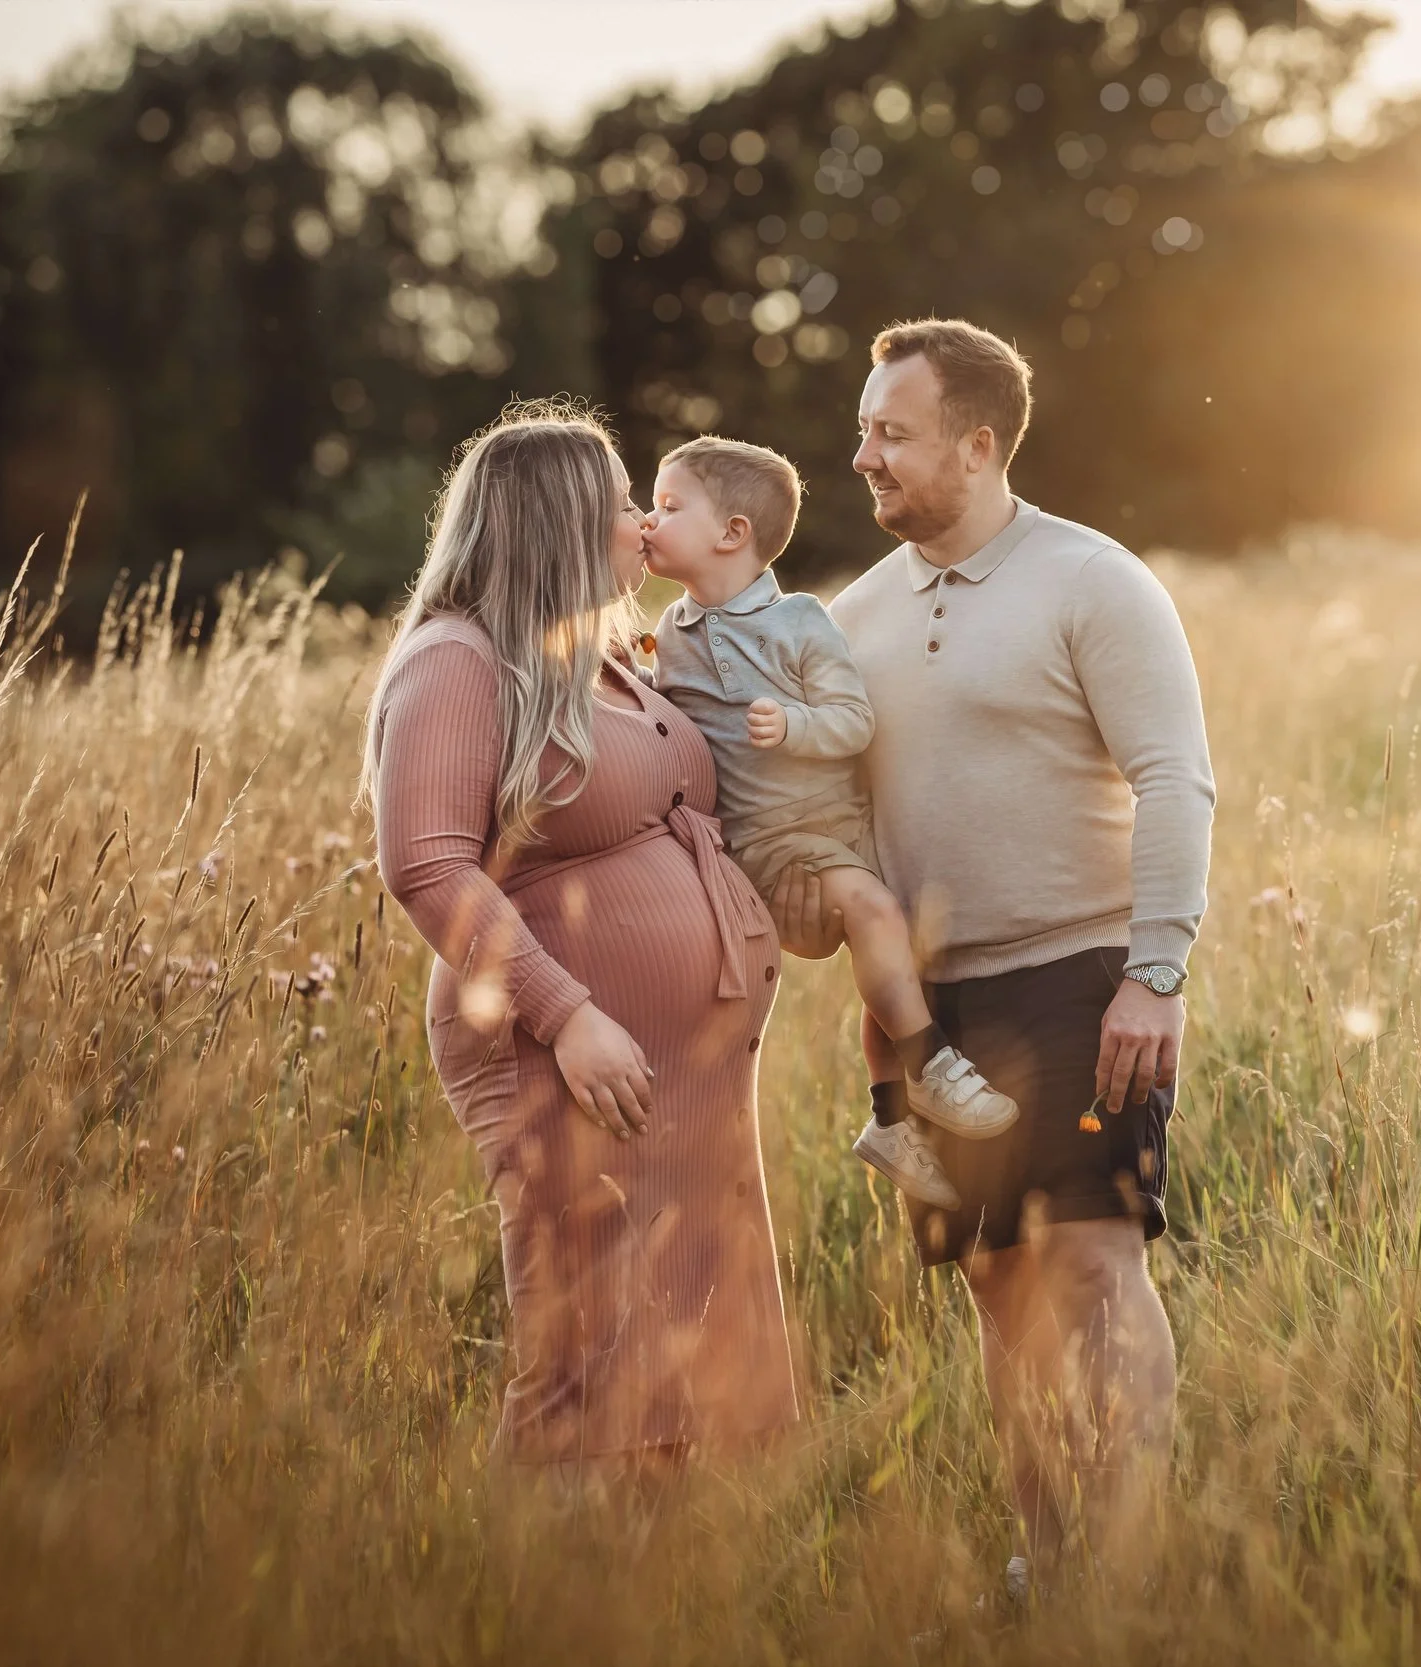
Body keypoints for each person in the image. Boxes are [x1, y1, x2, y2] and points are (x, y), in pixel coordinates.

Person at [802, 319, 1216, 1585]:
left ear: (976, 445)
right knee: (998, 1285)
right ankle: (1045, 1567)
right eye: (865, 429)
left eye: (893, 433)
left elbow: (1176, 780)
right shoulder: (850, 615)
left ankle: (1129, 1573)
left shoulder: (1094, 581)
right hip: (938, 1010)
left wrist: (1154, 973)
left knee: (1090, 1267)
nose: (863, 454)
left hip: (1079, 975)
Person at [362, 400, 798, 1469]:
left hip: (680, 1076)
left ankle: (661, 1605)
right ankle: (548, 1597)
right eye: (619, 509)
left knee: (679, 1349)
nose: (644, 527)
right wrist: (569, 1018)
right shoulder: (457, 662)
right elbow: (426, 862)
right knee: (583, 1355)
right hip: (566, 1054)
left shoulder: (603, 657)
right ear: (556, 524)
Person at [638, 435, 1019, 1211]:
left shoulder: (801, 623)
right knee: (875, 917)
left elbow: (854, 720)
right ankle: (932, 1065)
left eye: (668, 507)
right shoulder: (668, 634)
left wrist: (795, 726)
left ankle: (890, 1118)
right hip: (773, 840)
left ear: (732, 534)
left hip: (844, 826)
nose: (648, 520)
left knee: (892, 960)